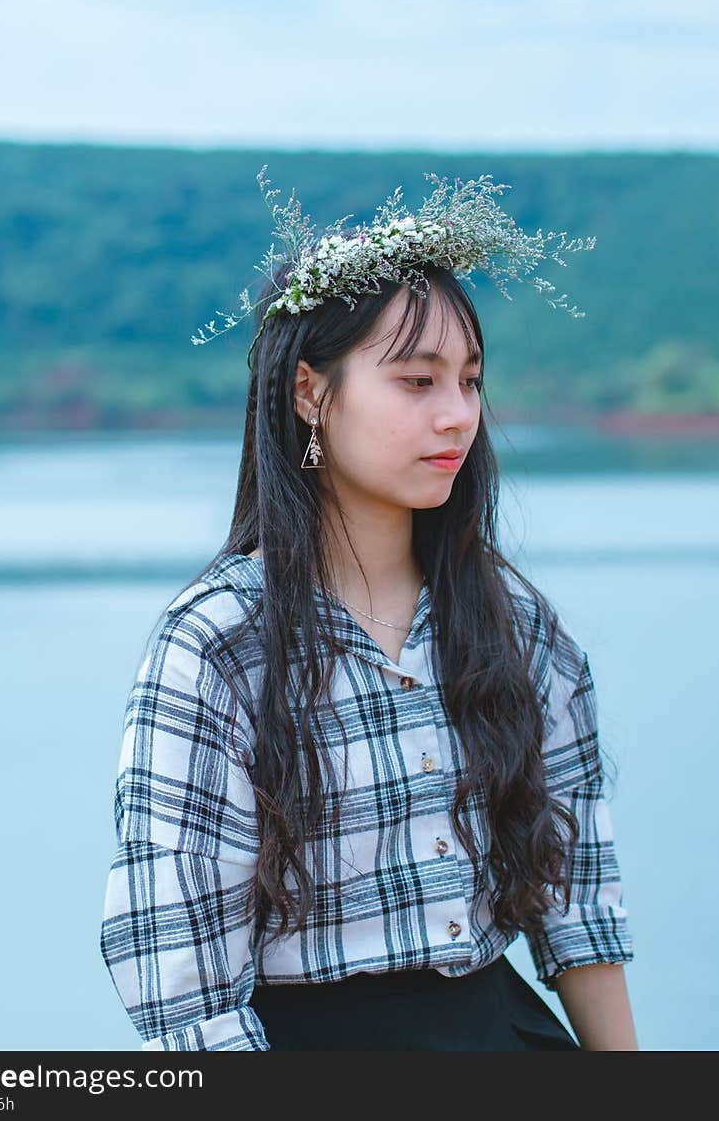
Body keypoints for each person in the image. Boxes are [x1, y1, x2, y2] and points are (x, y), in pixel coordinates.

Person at [99, 169, 637, 1051]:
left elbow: (577, 896)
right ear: (312, 393)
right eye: (417, 382)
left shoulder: (515, 622)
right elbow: (180, 980)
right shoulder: (218, 645)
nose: (458, 416)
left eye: (469, 381)